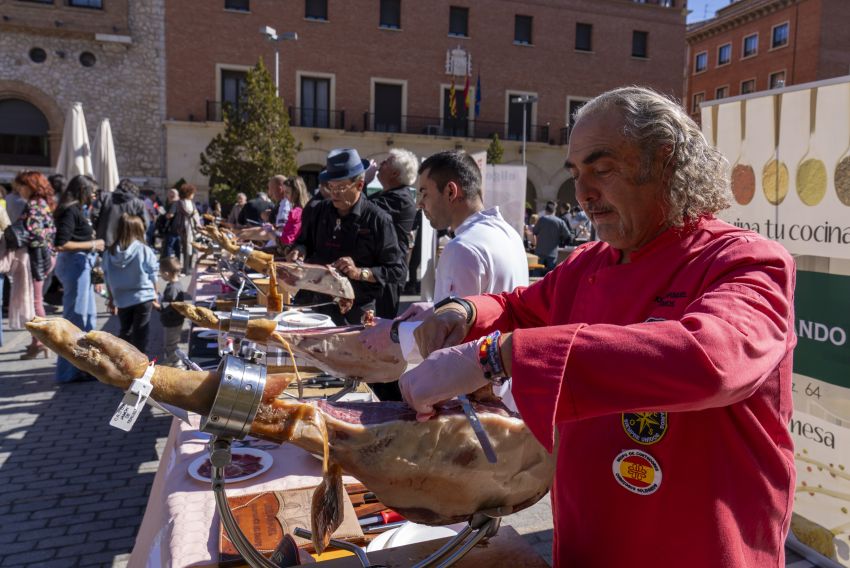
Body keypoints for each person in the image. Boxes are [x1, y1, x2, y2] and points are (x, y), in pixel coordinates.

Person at [399, 87, 796, 567]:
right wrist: (462, 312)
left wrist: (496, 355)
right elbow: (522, 308)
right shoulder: (589, 262)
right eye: (576, 173)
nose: (583, 192)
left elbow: (710, 359)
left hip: (696, 542)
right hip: (589, 531)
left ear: (664, 161)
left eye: (601, 168)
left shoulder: (744, 261)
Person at [362, 150, 528, 401]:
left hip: (476, 400)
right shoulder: (508, 233)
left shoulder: (461, 248)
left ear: (451, 191)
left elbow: (448, 340)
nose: (419, 204)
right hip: (508, 390)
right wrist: (432, 308)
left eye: (424, 193)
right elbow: (482, 305)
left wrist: (392, 332)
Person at [288, 148, 405, 325]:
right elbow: (304, 242)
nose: (334, 193)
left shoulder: (378, 219)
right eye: (331, 187)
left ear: (359, 184)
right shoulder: (319, 210)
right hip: (316, 302)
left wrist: (360, 272)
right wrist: (299, 250)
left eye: (341, 188)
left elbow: (396, 270)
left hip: (357, 309)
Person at [53, 175, 106, 383]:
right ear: (83, 190)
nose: (94, 195)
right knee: (74, 320)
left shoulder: (76, 210)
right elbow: (61, 243)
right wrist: (93, 245)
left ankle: (82, 366)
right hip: (75, 265)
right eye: (92, 191)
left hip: (80, 265)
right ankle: (68, 372)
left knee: (86, 319)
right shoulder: (71, 210)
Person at [12, 171, 56, 359]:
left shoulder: (34, 206)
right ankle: (37, 342)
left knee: (35, 301)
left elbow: (37, 237)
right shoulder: (42, 204)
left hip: (39, 258)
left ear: (30, 186)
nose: (19, 190)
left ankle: (41, 342)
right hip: (45, 256)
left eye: (21, 186)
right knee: (35, 300)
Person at [369, 149, 419, 318]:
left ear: (395, 173)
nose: (381, 164)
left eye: (387, 162)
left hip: (387, 275)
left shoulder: (400, 199)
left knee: (379, 328)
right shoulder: (389, 195)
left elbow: (364, 210)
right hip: (380, 273)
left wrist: (362, 181)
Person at [103, 214, 159, 353]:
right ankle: (140, 365)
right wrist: (155, 294)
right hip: (143, 296)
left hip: (121, 298)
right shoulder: (144, 250)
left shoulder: (109, 252)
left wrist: (111, 298)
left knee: (125, 331)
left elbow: (107, 277)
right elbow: (153, 273)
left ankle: (125, 361)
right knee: (141, 332)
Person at [95, 178, 149, 248]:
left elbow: (94, 215)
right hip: (129, 242)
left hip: (106, 240)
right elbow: (145, 224)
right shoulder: (138, 203)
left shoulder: (104, 197)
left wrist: (99, 229)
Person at [156, 256, 186, 368]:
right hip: (175, 321)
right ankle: (172, 360)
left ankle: (176, 364)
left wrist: (157, 306)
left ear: (167, 273)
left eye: (161, 273)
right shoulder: (176, 285)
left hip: (172, 322)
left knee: (170, 344)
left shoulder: (172, 288)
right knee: (172, 343)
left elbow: (169, 307)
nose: (161, 275)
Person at [166, 183, 201, 275]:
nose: (193, 195)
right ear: (189, 193)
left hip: (185, 229)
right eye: (192, 193)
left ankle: (185, 267)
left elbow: (195, 214)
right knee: (187, 248)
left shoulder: (184, 203)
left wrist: (198, 224)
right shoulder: (185, 203)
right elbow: (195, 216)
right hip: (186, 229)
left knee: (185, 248)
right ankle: (187, 268)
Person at [533, 201, 571, 274]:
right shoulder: (560, 221)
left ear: (546, 210)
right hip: (552, 252)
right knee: (551, 275)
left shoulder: (542, 219)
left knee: (536, 274)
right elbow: (567, 235)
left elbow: (535, 231)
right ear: (555, 210)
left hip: (540, 250)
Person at [279, 176, 309, 246]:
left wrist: (271, 233)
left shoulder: (297, 212)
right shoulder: (306, 208)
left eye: (287, 192)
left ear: (296, 193)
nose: (284, 196)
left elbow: (288, 240)